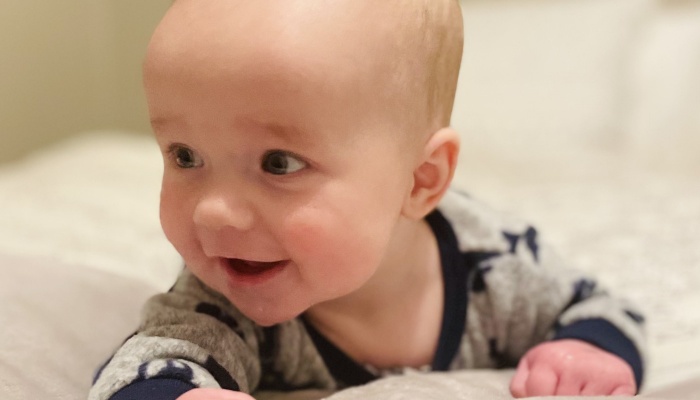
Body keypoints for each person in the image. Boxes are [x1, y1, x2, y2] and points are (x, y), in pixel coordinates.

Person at [89, 0, 646, 399]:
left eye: (278, 163)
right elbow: (152, 365)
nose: (212, 211)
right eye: (185, 155)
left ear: (420, 180)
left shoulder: (499, 268)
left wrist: (587, 351)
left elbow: (601, 311)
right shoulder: (223, 295)